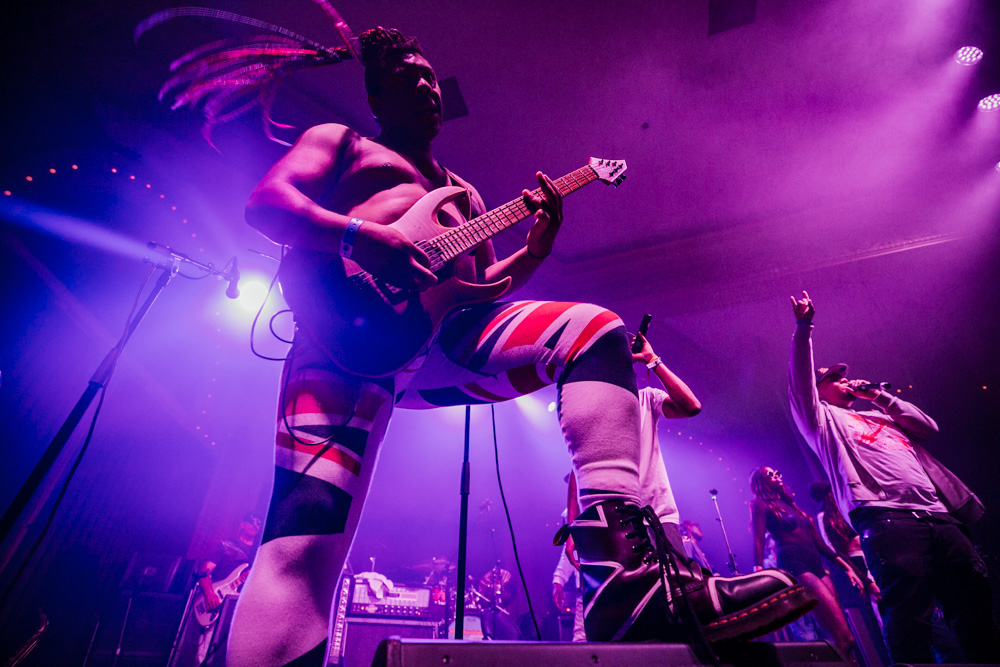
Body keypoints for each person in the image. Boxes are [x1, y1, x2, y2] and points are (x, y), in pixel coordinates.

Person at [227, 25, 813, 664]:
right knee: (303, 542)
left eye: (429, 76)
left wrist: (534, 253)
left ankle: (623, 586)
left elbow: (478, 289)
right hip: (342, 340)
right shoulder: (344, 144)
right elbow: (267, 204)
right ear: (377, 95)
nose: (425, 86)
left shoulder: (464, 193)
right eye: (407, 78)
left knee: (594, 330)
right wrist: (360, 238)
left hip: (440, 347)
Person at [788, 290, 1000, 663]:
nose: (844, 381)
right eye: (834, 378)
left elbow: (928, 427)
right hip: (887, 517)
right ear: (820, 390)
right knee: (908, 611)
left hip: (938, 514)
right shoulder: (821, 419)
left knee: (972, 600)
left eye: (844, 377)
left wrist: (879, 397)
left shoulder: (882, 416)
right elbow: (800, 383)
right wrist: (804, 328)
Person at [750, 467, 863, 657]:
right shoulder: (761, 505)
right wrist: (759, 569)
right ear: (760, 481)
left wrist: (848, 569)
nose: (776, 476)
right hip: (794, 563)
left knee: (842, 637)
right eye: (769, 474)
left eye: (777, 473)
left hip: (816, 564)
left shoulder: (790, 505)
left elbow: (821, 545)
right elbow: (758, 538)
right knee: (843, 636)